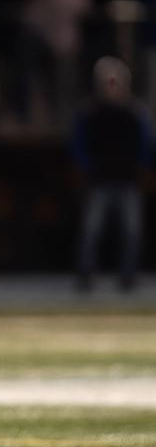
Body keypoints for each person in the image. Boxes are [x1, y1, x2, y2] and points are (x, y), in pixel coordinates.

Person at [74, 56, 153, 291]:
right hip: (99, 181)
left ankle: (127, 277)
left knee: (132, 231)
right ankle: (86, 276)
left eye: (115, 82)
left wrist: (142, 168)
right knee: (91, 231)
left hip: (127, 181)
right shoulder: (90, 113)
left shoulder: (135, 113)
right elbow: (78, 144)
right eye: (108, 82)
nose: (112, 87)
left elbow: (146, 144)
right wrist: (86, 166)